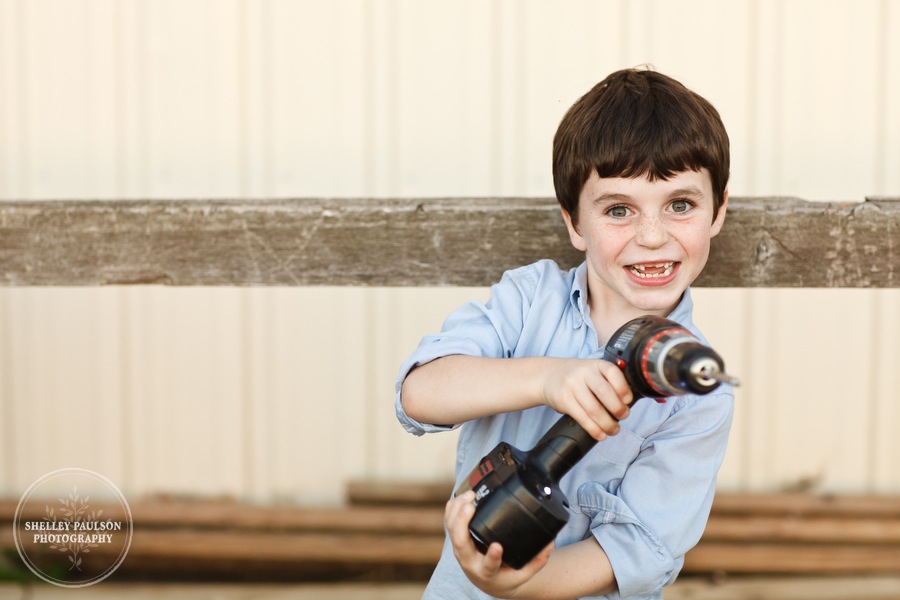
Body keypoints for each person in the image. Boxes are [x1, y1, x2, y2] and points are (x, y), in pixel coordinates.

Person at [394, 67, 734, 600]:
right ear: (575, 223)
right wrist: (547, 379)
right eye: (618, 210)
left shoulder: (698, 395)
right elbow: (419, 395)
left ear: (718, 211)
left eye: (681, 205)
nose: (652, 236)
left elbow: (639, 547)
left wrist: (513, 582)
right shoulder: (527, 301)